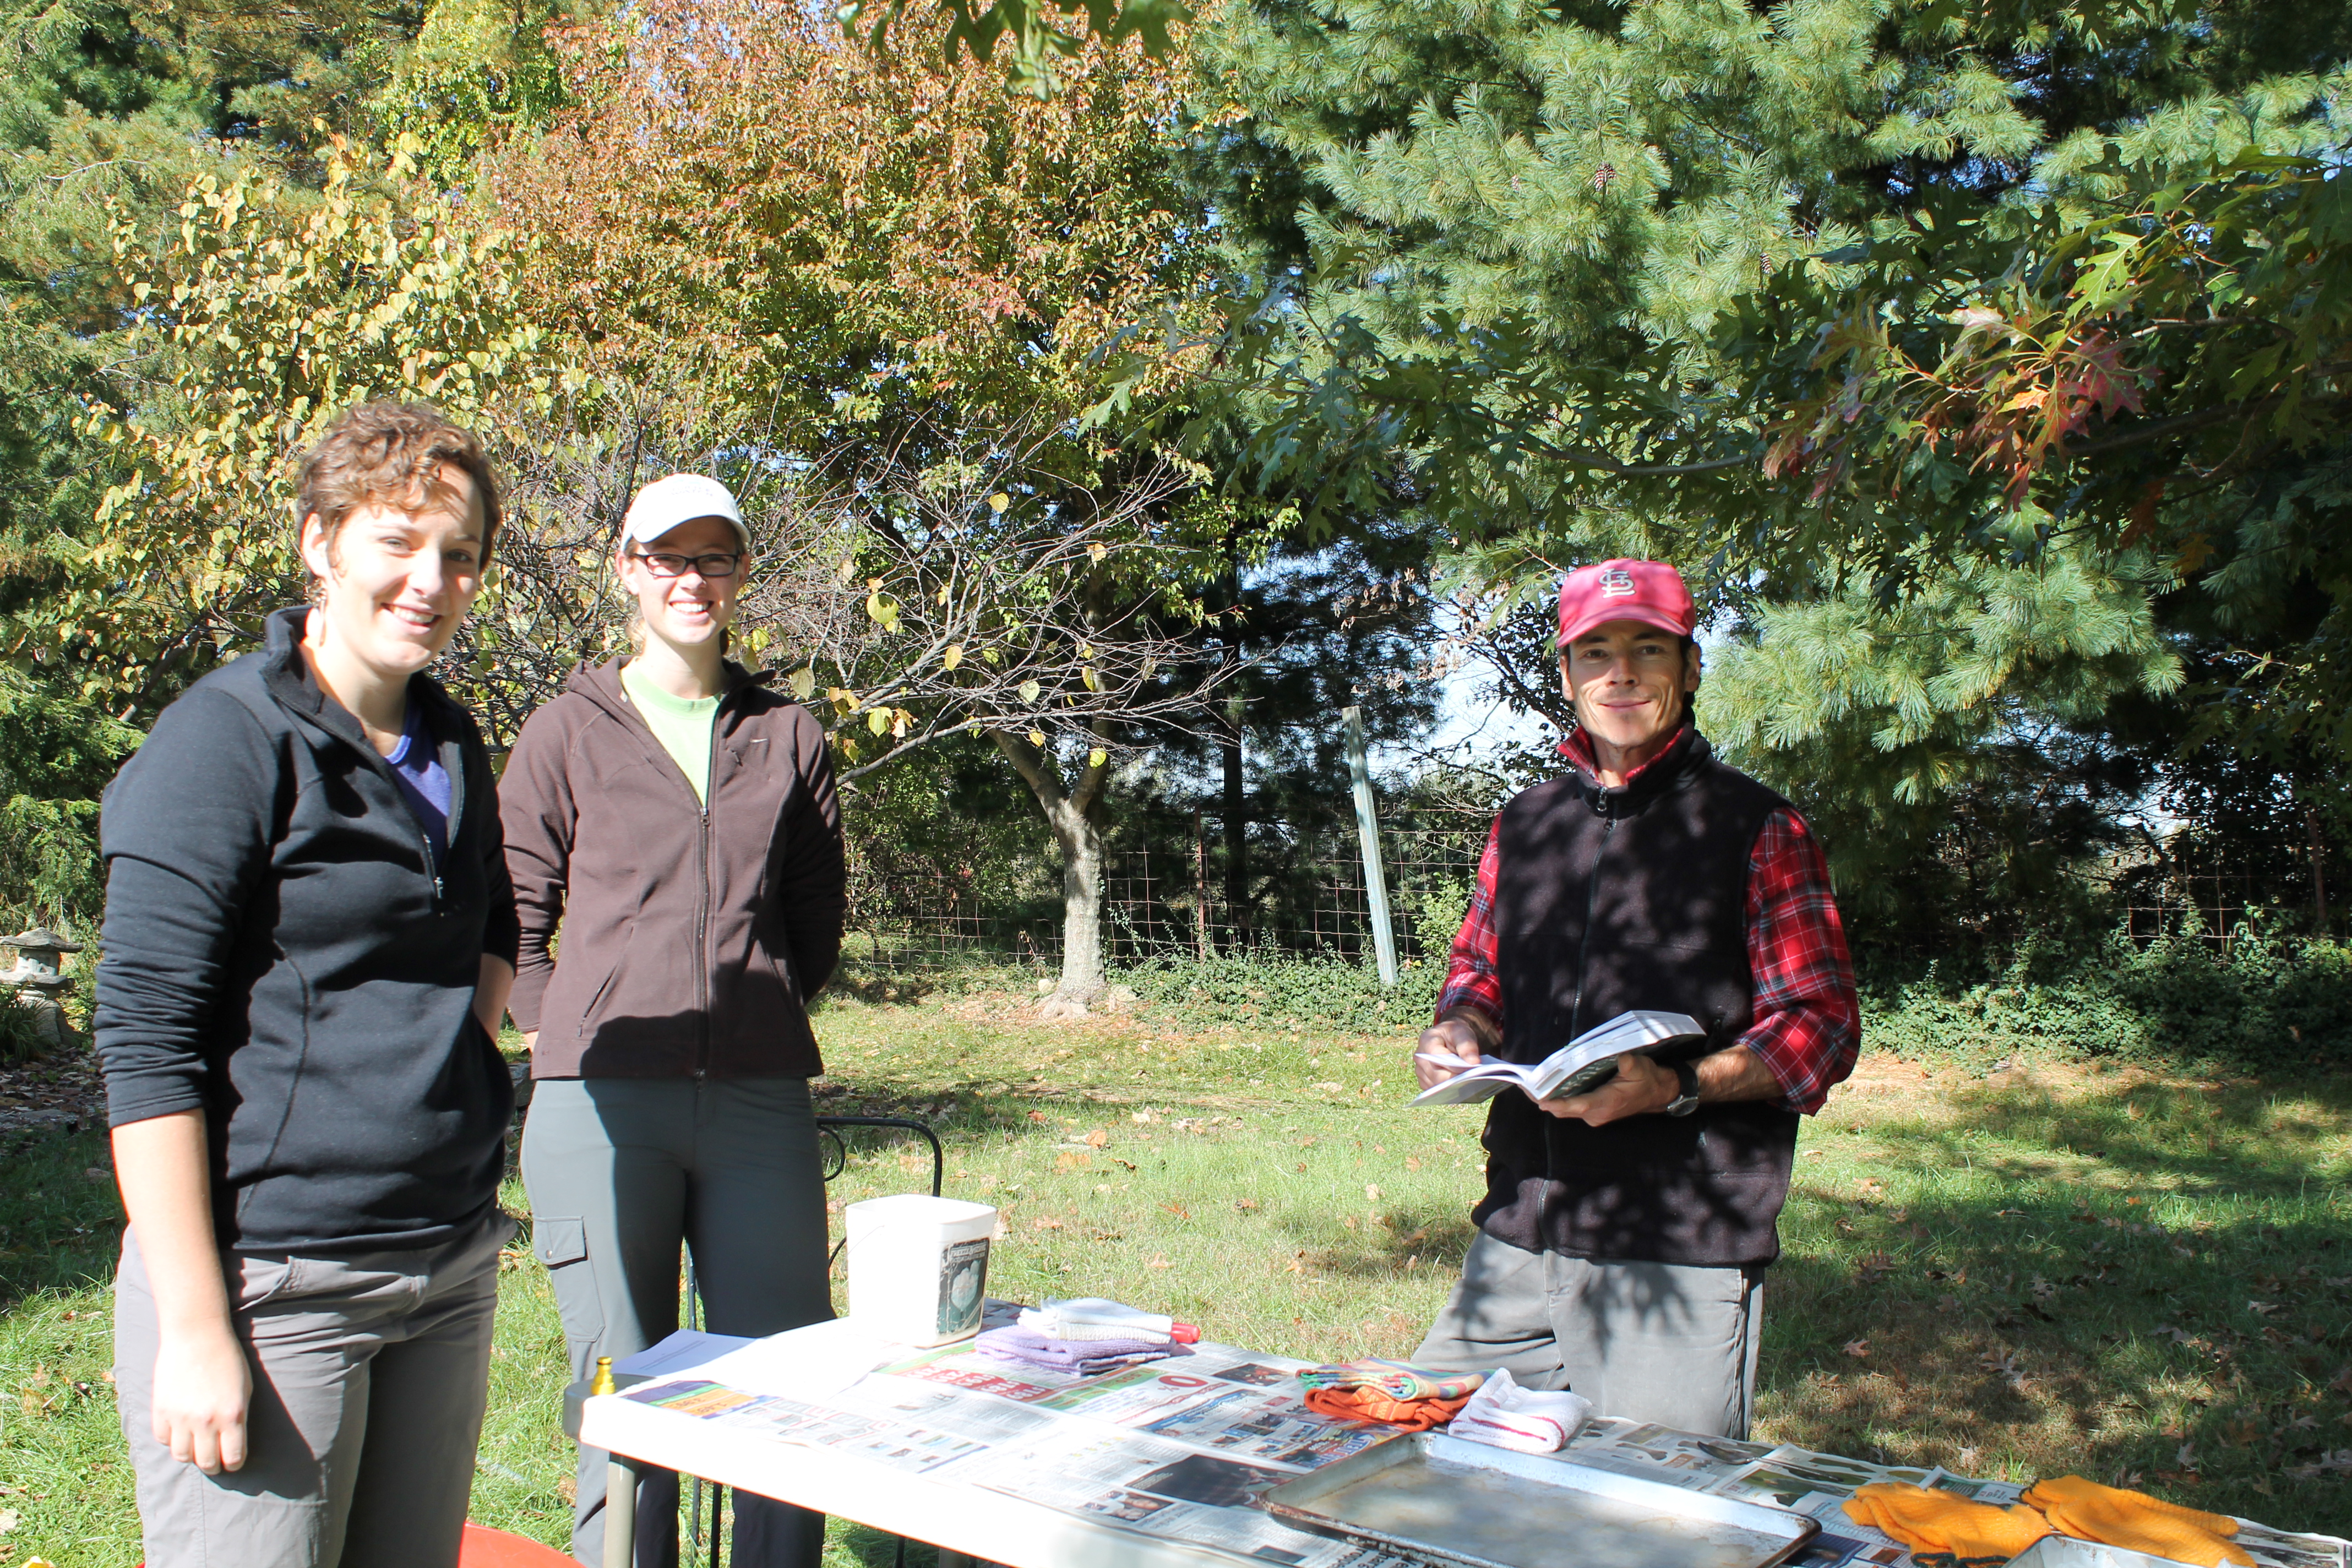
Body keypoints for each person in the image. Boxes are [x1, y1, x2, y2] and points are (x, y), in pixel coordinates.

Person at [96, 402, 519, 1566]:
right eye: (397, 540)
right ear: (320, 540)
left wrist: (440, 1080)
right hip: (276, 1281)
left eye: (459, 555)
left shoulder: (451, 744)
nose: (429, 579)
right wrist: (194, 1323)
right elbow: (144, 1041)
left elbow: (493, 920)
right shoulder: (224, 740)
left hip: (448, 1261)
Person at [1411, 558, 1860, 1439]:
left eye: (1648, 650)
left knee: (1659, 1514)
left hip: (1677, 1242)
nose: (1621, 675)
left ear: (1690, 670)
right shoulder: (1525, 823)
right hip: (1521, 1223)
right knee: (1422, 1458)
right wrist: (1461, 1026)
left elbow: (1821, 1027)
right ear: (1567, 672)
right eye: (1597, 652)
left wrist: (1673, 1086)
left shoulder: (1760, 828)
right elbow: (1478, 967)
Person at [499, 473, 846, 1568]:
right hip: (600, 1105)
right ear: (627, 567)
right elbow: (514, 909)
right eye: (667, 557)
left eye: (715, 558)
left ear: (742, 574)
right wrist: (567, 1030)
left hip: (756, 1105)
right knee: (627, 1392)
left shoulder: (790, 736)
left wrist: (758, 1006)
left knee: (786, 1385)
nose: (691, 579)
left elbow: (815, 916)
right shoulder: (565, 730)